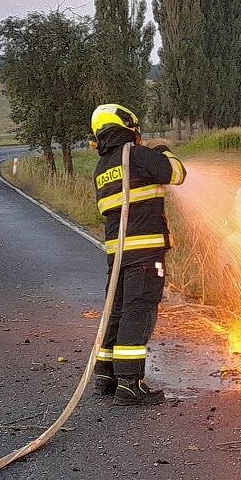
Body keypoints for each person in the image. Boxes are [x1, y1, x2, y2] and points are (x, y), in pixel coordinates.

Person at [90, 103, 186, 406]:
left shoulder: (102, 167)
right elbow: (177, 174)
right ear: (127, 126)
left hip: (117, 254)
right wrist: (163, 150)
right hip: (145, 252)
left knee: (117, 310)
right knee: (139, 310)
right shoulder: (138, 155)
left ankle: (106, 375)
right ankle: (130, 384)